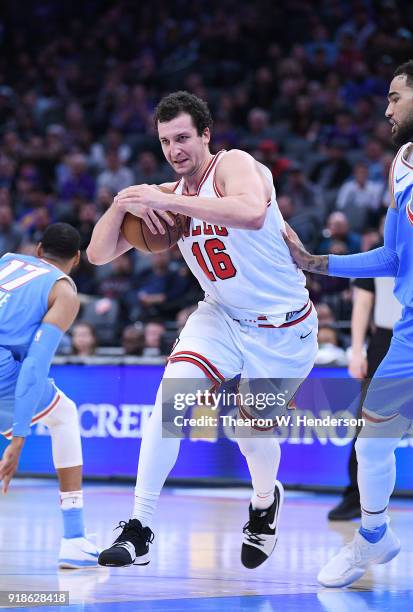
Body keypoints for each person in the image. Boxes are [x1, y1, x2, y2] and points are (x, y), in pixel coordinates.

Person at [87, 91, 318, 570]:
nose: (175, 150)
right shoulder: (165, 197)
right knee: (171, 400)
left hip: (284, 329)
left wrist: (170, 201)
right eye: (166, 141)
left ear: (206, 134)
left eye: (184, 138)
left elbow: (251, 211)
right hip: (220, 317)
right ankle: (139, 526)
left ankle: (263, 501)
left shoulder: (233, 165)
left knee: (248, 433)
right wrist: (121, 203)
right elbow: (97, 256)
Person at [282, 60, 413, 588]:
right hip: (408, 332)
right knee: (371, 444)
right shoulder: (404, 164)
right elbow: (391, 257)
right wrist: (317, 263)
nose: (387, 108)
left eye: (396, 97)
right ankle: (374, 537)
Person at [0, 223, 100, 568]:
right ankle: (74, 538)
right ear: (76, 259)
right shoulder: (63, 291)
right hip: (4, 372)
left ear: (38, 250)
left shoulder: (8, 261)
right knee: (65, 414)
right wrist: (20, 437)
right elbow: (34, 367)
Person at [328, 255, 402, 521]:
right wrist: (357, 351)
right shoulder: (383, 253)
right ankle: (356, 498)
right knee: (367, 424)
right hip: (386, 339)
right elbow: (362, 303)